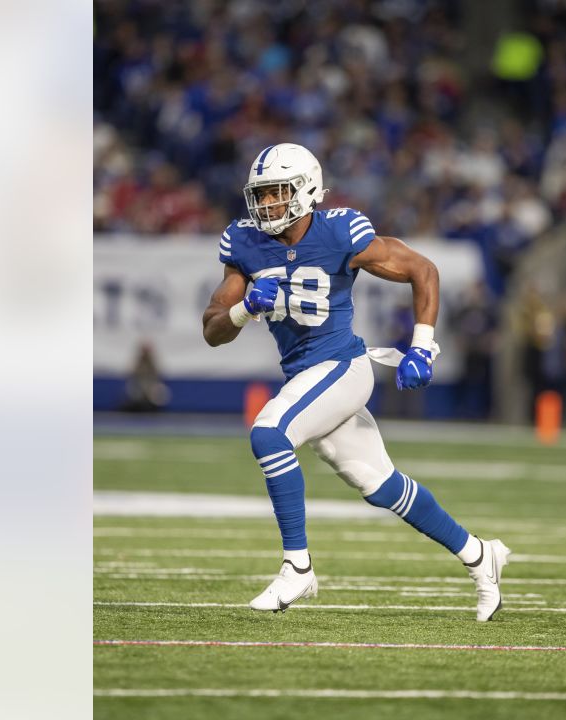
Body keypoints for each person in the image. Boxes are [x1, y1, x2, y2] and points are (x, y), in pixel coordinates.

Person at [201, 143, 512, 621]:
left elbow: (421, 269)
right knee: (380, 484)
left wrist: (423, 345)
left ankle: (297, 568)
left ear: (305, 191)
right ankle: (478, 554)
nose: (266, 206)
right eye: (260, 195)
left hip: (344, 367)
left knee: (269, 433)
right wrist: (246, 308)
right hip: (306, 376)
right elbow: (213, 329)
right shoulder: (244, 243)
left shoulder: (339, 230)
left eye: (277, 193)